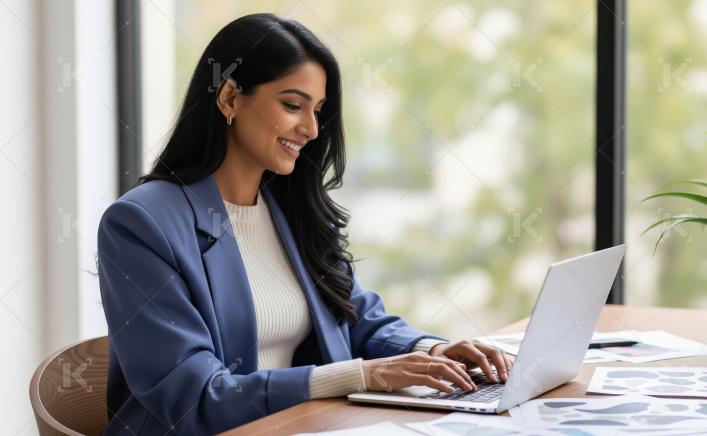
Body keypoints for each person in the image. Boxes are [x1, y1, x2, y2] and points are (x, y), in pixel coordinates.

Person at [97, 13, 511, 435]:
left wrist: (434, 350)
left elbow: (354, 317)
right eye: (293, 105)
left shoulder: (290, 206)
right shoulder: (141, 224)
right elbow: (194, 397)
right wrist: (363, 375)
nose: (312, 129)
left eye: (317, 110)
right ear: (229, 99)